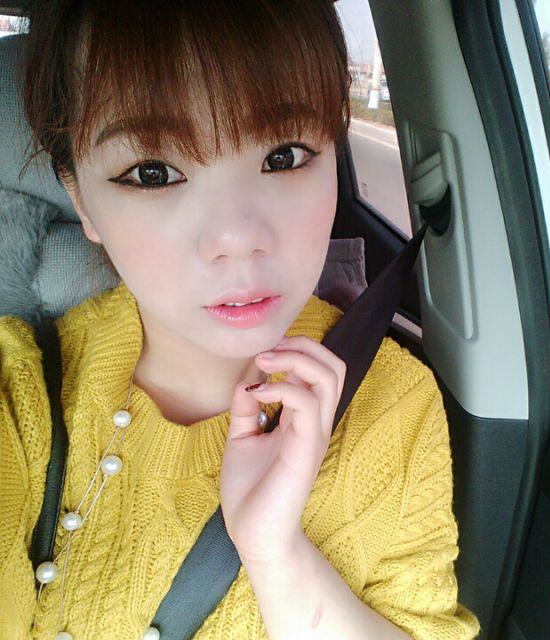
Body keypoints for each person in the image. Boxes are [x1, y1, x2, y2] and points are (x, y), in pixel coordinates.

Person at [0, 1, 480, 639]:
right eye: (153, 172)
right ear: (80, 198)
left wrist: (277, 557)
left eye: (285, 156)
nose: (237, 237)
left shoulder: (392, 403)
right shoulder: (21, 390)